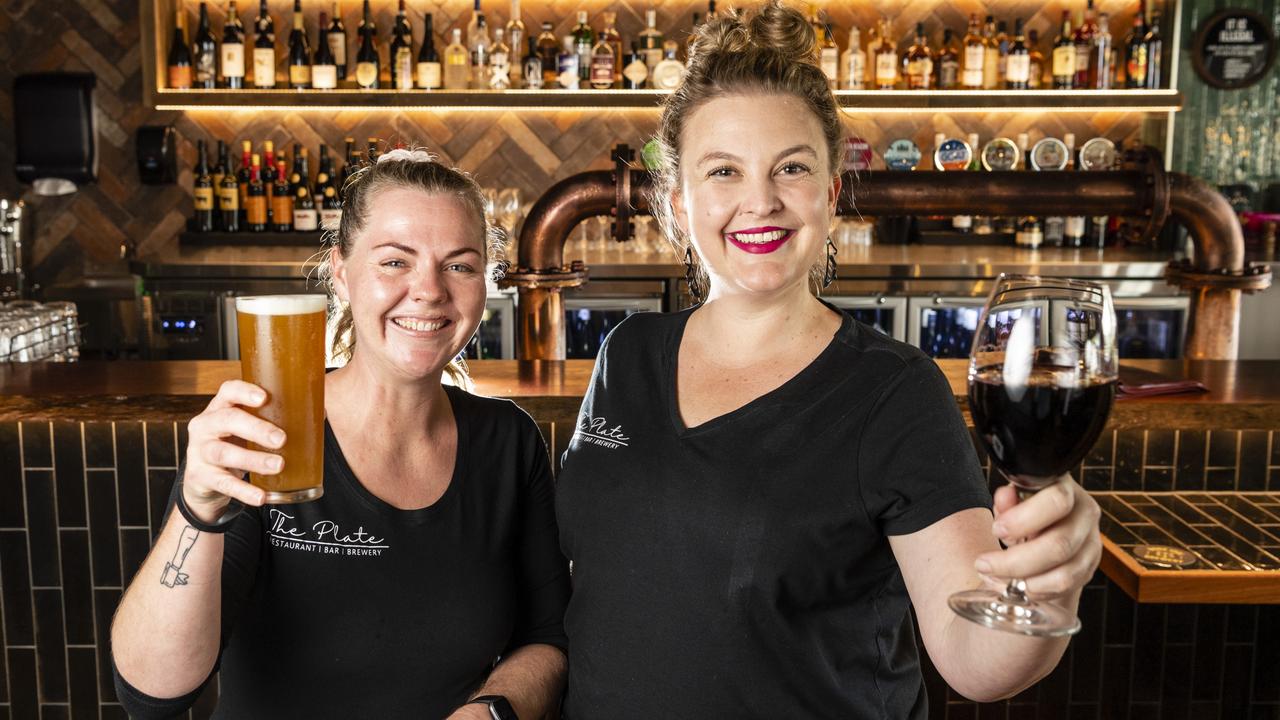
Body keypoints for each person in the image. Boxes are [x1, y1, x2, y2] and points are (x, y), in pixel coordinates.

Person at [554, 4, 1103, 718]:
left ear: (831, 193)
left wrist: (1047, 587)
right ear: (680, 204)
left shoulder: (894, 391)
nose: (761, 202)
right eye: (723, 171)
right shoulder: (628, 355)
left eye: (791, 167)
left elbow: (972, 659)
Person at [111, 150, 569, 719]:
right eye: (395, 262)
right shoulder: (268, 434)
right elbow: (153, 694)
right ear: (341, 274)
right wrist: (197, 506)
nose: (429, 290)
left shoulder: (509, 442)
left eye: (459, 265)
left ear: (484, 283)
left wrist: (491, 711)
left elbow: (547, 638)